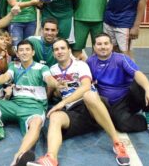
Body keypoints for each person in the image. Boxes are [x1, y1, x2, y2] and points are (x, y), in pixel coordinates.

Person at [28, 38, 130, 166]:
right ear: (53, 53)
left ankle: (117, 144)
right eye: (56, 49)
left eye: (63, 48)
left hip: (94, 107)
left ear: (69, 50)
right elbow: (50, 93)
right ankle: (51, 158)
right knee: (55, 116)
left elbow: (86, 87)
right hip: (74, 111)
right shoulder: (53, 70)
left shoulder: (80, 65)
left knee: (89, 96)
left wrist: (61, 103)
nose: (59, 51)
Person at [86, 33, 149, 142]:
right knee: (122, 126)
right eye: (99, 44)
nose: (103, 46)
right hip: (113, 105)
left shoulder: (121, 59)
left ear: (111, 46)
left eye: (106, 43)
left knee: (138, 83)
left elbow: (137, 73)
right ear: (94, 47)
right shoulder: (90, 62)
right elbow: (86, 81)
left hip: (129, 98)